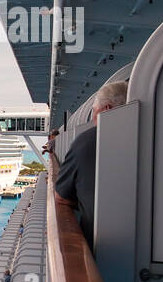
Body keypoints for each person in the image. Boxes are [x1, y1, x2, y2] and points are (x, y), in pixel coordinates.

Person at [53, 80, 129, 243]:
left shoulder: (88, 140)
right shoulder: (153, 135)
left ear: (107, 110)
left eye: (94, 112)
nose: (93, 120)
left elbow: (61, 197)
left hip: (102, 245)